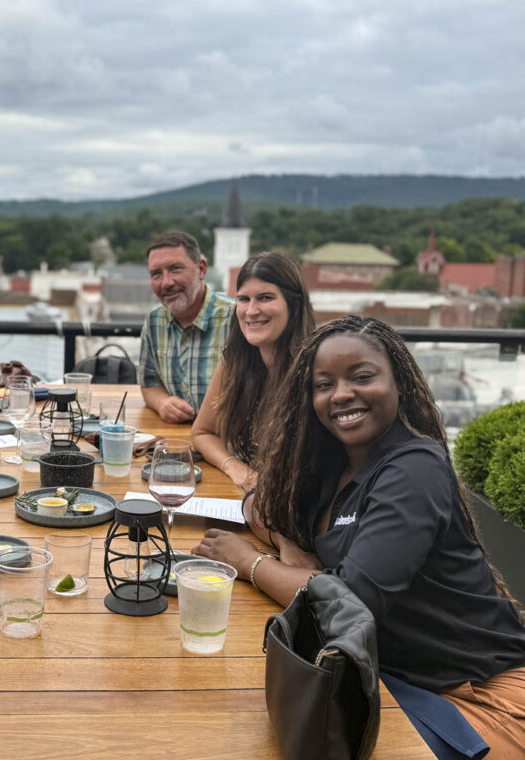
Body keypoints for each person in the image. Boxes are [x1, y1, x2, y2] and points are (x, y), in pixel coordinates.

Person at [194, 315, 525, 752]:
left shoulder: (414, 468)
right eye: (324, 384)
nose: (342, 394)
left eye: (362, 376)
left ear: (400, 383)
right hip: (390, 680)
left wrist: (251, 563)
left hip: (477, 695)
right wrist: (290, 543)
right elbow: (261, 507)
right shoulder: (332, 460)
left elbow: (352, 600)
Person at [191, 253, 314, 491]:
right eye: (244, 299)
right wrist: (235, 467)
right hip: (250, 502)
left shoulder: (315, 371)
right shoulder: (236, 359)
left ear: (295, 304)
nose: (251, 311)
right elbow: (202, 433)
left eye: (265, 298)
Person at [138, 230, 234, 423]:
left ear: (201, 269)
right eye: (156, 274)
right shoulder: (154, 322)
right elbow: (149, 384)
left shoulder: (237, 319)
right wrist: (163, 403)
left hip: (227, 444)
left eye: (175, 269)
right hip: (176, 441)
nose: (166, 282)